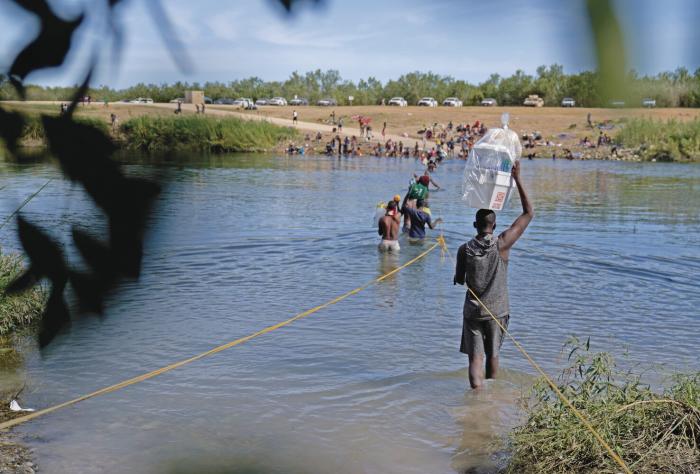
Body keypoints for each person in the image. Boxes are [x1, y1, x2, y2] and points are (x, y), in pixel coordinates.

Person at [453, 161, 533, 390]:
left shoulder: (464, 249)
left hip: (473, 311)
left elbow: (460, 279)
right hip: (497, 311)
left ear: (474, 225)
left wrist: (462, 275)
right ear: (494, 226)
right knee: (493, 355)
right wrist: (517, 179)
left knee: (475, 359)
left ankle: (477, 395)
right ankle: (491, 398)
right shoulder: (502, 244)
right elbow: (529, 213)